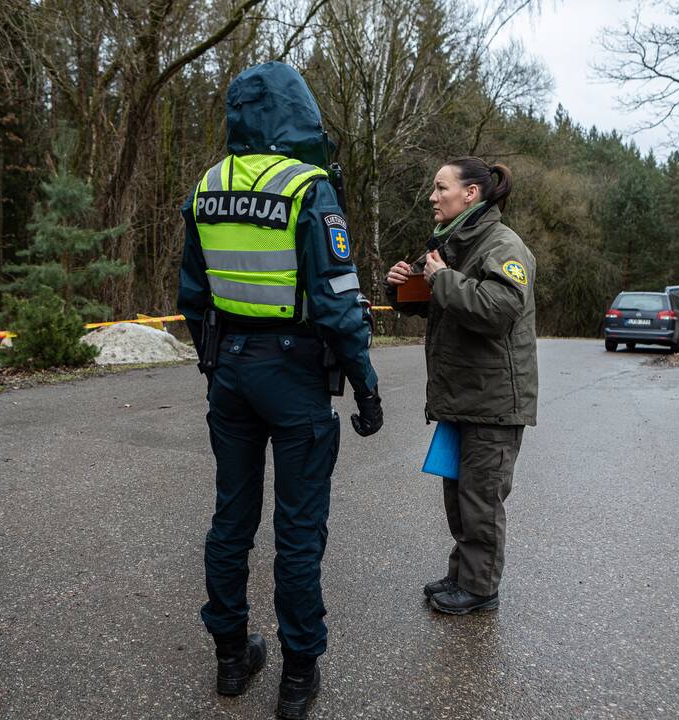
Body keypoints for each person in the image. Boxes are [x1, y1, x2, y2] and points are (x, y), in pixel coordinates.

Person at [177, 61, 383, 719]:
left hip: (231, 372)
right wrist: (366, 386)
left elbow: (192, 296)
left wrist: (219, 365)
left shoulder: (206, 187)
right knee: (298, 531)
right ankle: (297, 681)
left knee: (231, 519)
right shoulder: (309, 188)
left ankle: (232, 660)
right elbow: (339, 304)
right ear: (297, 112)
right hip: (294, 376)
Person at [384, 157, 537, 615]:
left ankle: (481, 589)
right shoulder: (453, 242)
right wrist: (401, 286)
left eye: (440, 188)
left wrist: (441, 278)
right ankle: (463, 574)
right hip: (462, 397)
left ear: (470, 194)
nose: (432, 197)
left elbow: (498, 309)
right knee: (461, 495)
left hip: (494, 400)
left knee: (481, 499)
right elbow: (438, 300)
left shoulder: (503, 244)